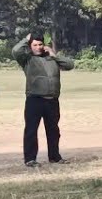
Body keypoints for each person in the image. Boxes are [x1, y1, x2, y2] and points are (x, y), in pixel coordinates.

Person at [13, 33, 74, 167]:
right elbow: (15, 50)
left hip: (52, 100)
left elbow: (70, 65)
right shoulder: (27, 59)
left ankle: (54, 157)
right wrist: (26, 39)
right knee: (31, 130)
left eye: (40, 44)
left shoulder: (51, 59)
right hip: (35, 99)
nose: (38, 47)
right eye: (35, 45)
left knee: (53, 130)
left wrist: (54, 55)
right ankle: (30, 159)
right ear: (30, 47)